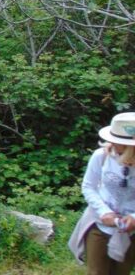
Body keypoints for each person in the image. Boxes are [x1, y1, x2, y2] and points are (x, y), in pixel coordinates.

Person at [69, 112, 135, 274]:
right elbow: (88, 186)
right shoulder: (101, 156)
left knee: (121, 272)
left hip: (130, 231)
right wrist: (104, 211)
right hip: (99, 224)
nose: (112, 143)